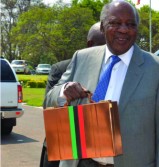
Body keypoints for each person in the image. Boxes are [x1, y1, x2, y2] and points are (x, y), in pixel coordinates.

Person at [44, 1, 159, 167]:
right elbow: (48, 101)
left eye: (130, 24)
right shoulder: (82, 58)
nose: (123, 29)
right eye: (115, 23)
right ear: (102, 27)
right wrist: (63, 91)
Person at [40, 22, 106, 167]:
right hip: (62, 149)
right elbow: (48, 105)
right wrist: (64, 91)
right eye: (104, 45)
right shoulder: (62, 68)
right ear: (90, 44)